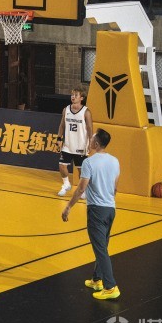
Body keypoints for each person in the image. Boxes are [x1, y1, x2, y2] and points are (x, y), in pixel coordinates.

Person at [61, 128, 120, 300]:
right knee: (103, 246)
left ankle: (110, 287)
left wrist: (68, 207)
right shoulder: (115, 161)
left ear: (96, 143)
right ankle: (97, 280)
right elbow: (115, 188)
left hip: (96, 211)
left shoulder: (89, 163)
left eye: (92, 138)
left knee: (100, 249)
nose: (90, 140)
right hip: (110, 209)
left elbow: (81, 189)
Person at [57, 86, 93, 197]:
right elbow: (62, 125)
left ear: (81, 98)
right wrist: (59, 138)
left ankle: (83, 190)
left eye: (76, 95)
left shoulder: (86, 112)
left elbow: (90, 128)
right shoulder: (66, 109)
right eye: (72, 95)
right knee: (62, 165)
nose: (73, 97)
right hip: (68, 145)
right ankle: (66, 184)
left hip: (81, 145)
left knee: (81, 170)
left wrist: (91, 142)